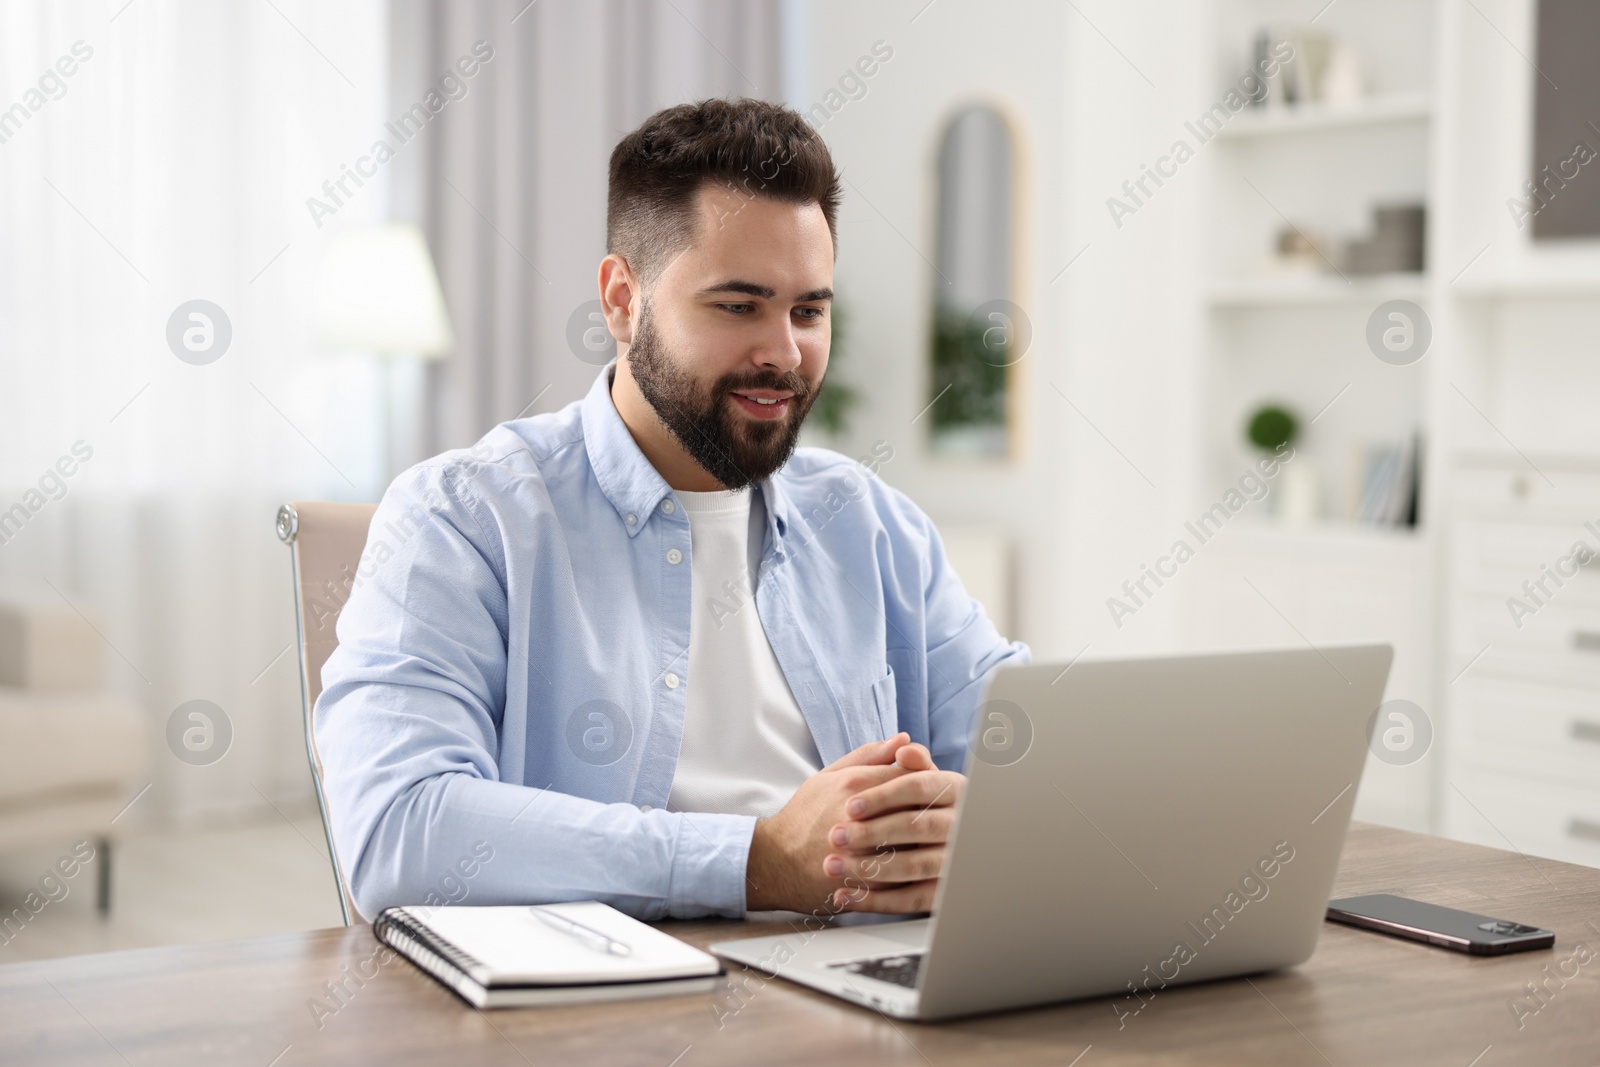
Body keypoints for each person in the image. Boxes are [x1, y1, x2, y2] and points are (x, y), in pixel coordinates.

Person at [315, 97, 1029, 923]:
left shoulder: (869, 524)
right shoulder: (463, 518)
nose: (785, 353)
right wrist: (755, 860)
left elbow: (1025, 749)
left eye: (809, 310)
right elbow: (400, 834)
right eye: (739, 305)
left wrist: (969, 817)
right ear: (622, 300)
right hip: (610, 1010)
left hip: (867, 993)